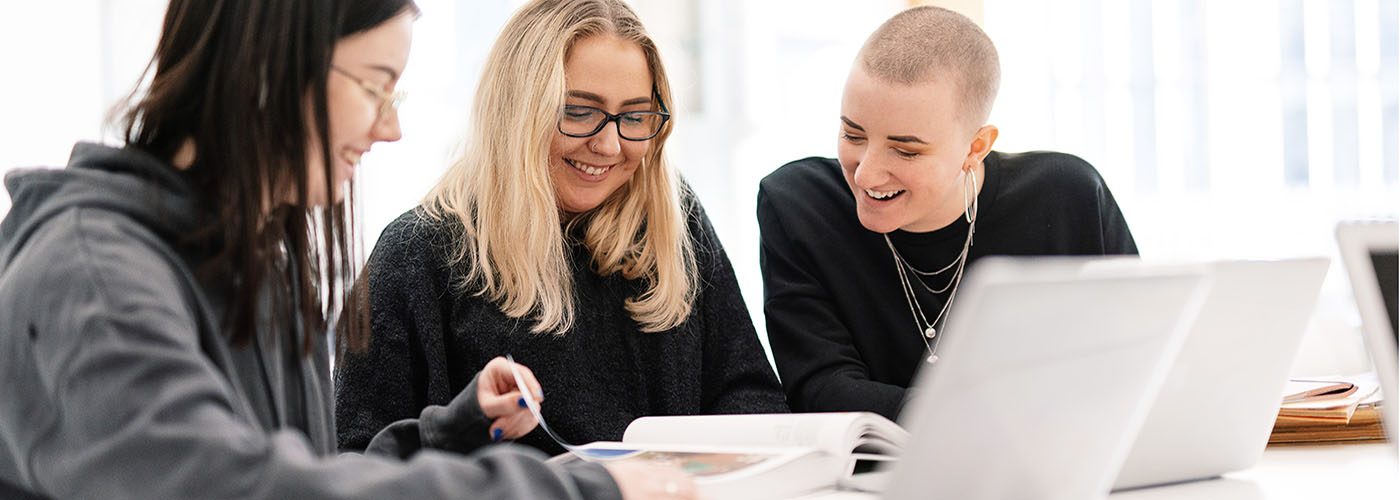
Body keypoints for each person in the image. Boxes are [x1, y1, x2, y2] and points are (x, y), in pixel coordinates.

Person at [0, 0, 693, 498]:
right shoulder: (91, 276)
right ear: (266, 67)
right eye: (375, 86)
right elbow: (233, 485)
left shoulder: (249, 263)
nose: (389, 128)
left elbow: (301, 465)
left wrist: (452, 432)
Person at [335, 0, 788, 457]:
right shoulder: (417, 256)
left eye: (634, 117)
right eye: (579, 111)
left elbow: (749, 397)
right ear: (517, 111)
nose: (609, 145)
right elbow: (361, 464)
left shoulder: (673, 222)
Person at [757, 6, 1138, 421]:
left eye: (906, 150)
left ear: (976, 148)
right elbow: (822, 391)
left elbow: (1137, 366)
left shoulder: (1068, 197)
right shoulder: (798, 205)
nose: (866, 172)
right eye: (853, 134)